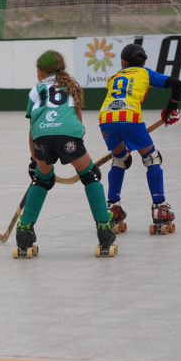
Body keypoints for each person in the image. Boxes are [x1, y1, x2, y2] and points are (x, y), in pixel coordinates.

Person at [15, 50, 117, 258]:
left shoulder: (36, 89)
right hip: (68, 135)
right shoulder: (73, 87)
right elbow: (78, 123)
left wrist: (34, 160)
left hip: (41, 135)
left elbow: (32, 127)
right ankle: (104, 230)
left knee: (42, 179)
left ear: (41, 71)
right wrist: (80, 157)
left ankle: (24, 232)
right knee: (91, 176)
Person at [98, 43, 181, 236]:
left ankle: (113, 207)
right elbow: (176, 84)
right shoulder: (145, 73)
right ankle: (160, 207)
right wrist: (171, 108)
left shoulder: (113, 77)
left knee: (119, 160)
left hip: (106, 119)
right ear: (143, 62)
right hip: (130, 118)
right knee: (152, 158)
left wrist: (124, 145)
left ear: (123, 62)